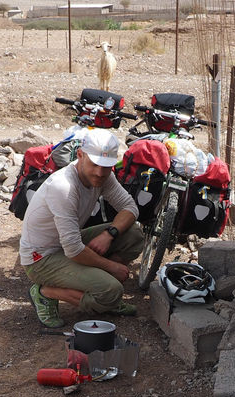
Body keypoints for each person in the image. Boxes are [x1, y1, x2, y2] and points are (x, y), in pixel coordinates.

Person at [18, 129, 143, 328]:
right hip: (40, 258)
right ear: (80, 155)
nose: (100, 173)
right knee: (112, 291)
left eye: (107, 167)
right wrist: (112, 267)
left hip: (66, 245)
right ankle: (44, 292)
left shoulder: (104, 176)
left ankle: (101, 290)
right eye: (95, 165)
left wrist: (109, 234)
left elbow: (130, 208)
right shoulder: (63, 187)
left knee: (133, 234)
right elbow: (73, 249)